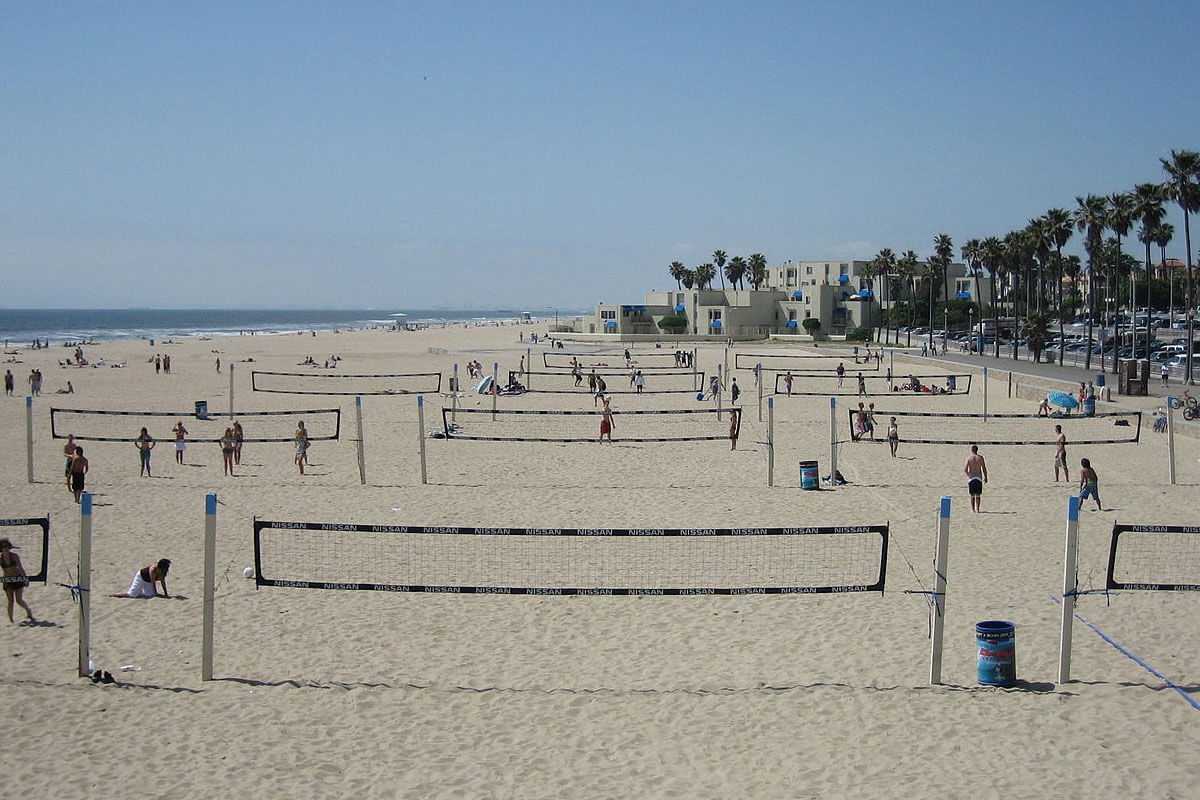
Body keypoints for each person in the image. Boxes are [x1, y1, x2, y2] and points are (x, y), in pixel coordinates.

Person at [1, 539, 35, 624]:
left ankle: (28, 611)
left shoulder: (14, 556)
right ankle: (11, 620)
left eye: (7, 547)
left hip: (17, 579)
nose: (5, 549)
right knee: (10, 601)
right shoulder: (1, 559)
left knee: (19, 600)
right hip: (8, 580)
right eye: (3, 547)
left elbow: (20, 568)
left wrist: (25, 579)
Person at [964, 444, 988, 513]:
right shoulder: (980, 458)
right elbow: (984, 468)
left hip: (971, 478)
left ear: (971, 450)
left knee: (972, 495)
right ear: (977, 450)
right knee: (978, 495)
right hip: (979, 478)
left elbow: (965, 469)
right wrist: (986, 477)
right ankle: (977, 509)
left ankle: (972, 509)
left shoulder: (968, 458)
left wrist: (969, 475)